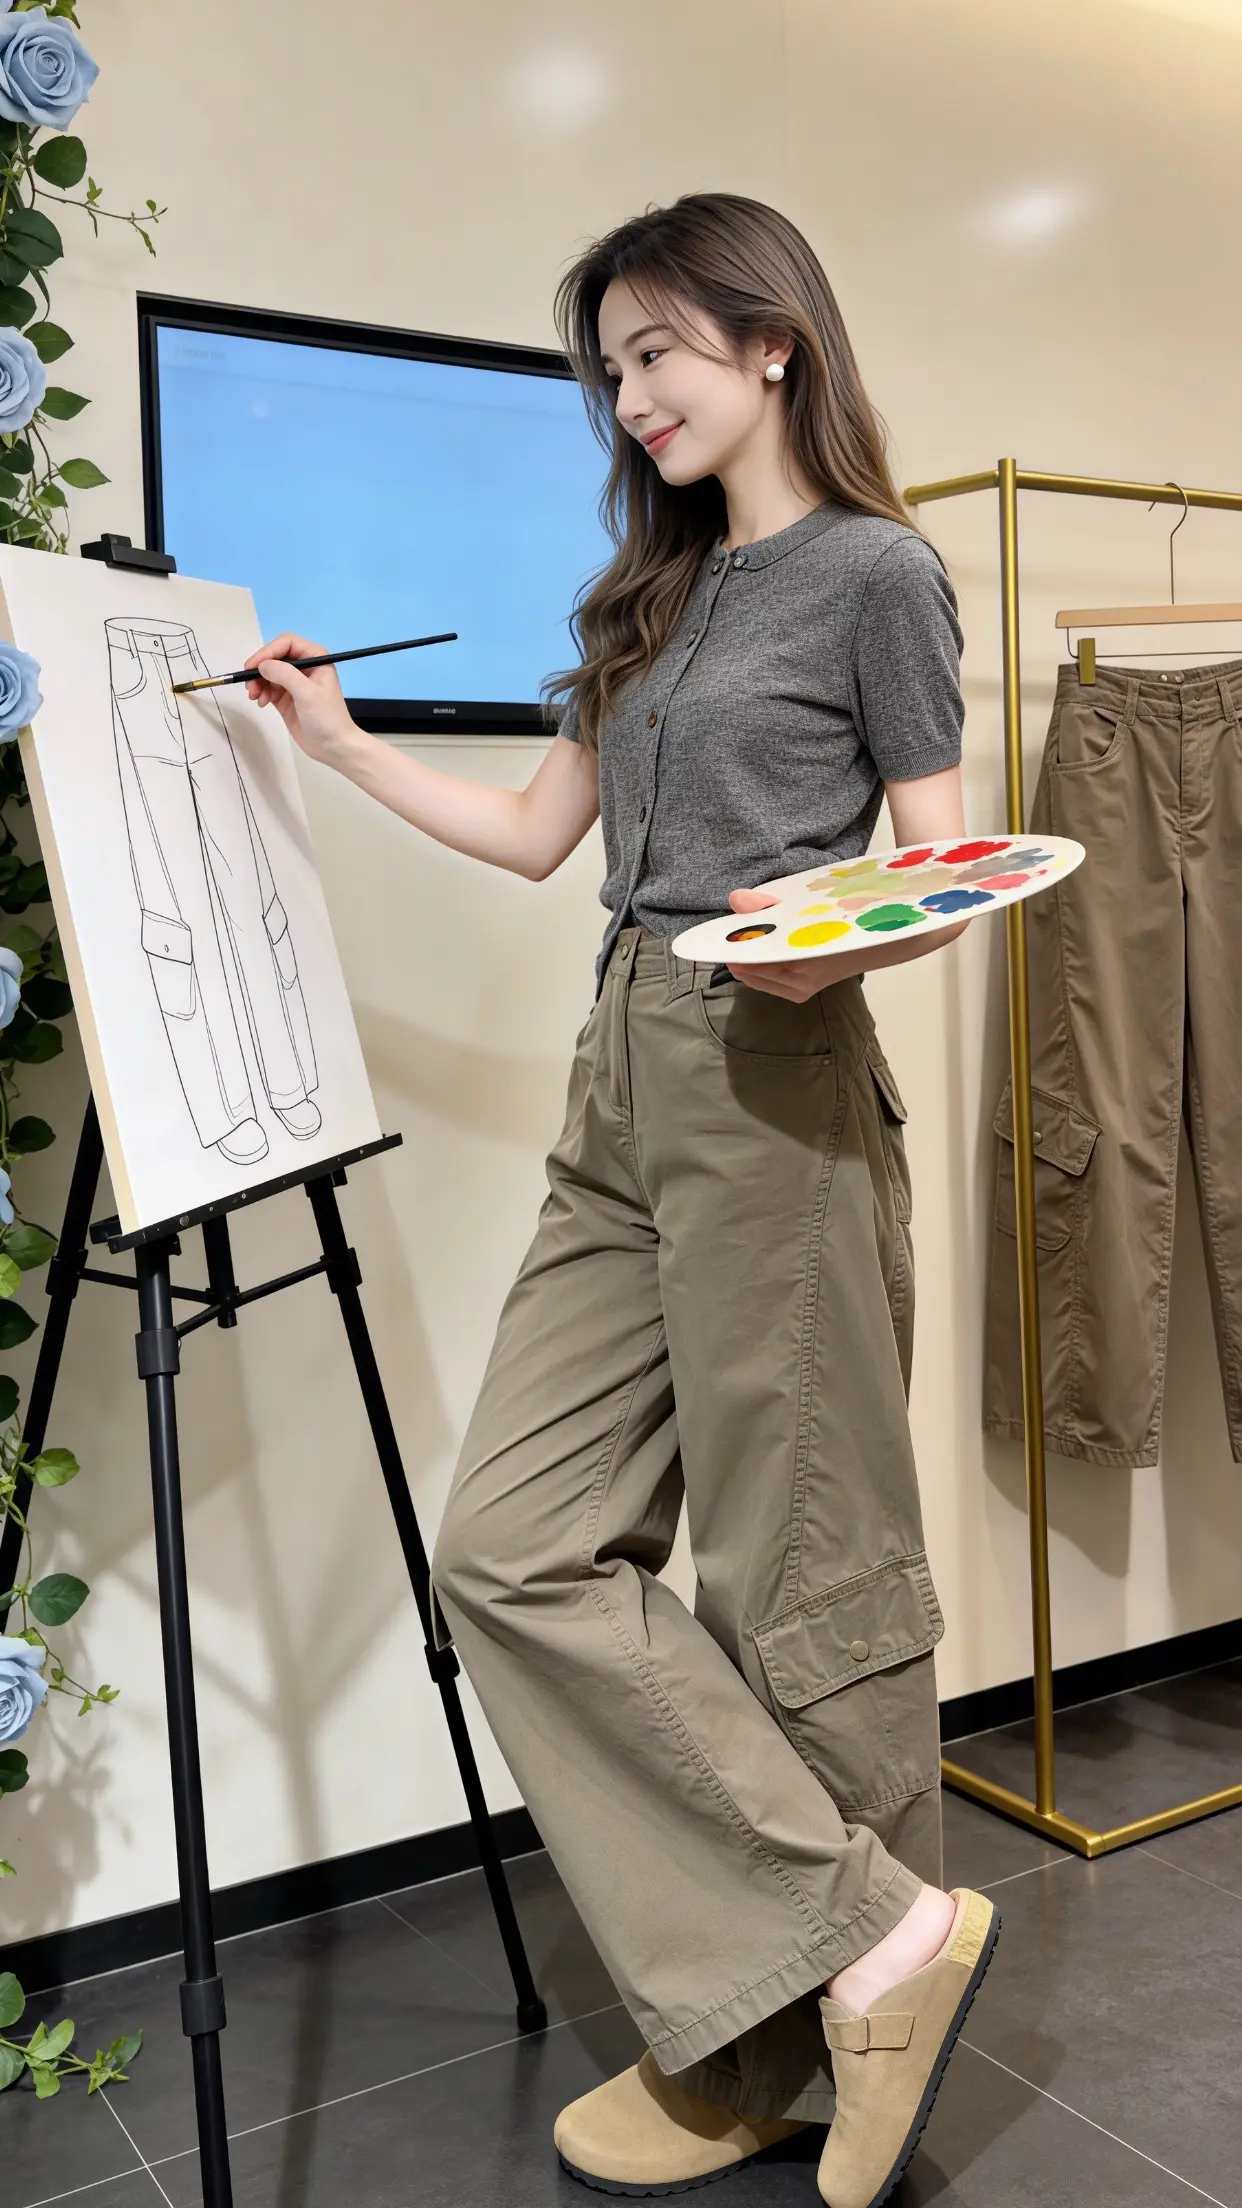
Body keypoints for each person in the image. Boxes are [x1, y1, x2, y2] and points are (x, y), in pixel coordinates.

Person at [245, 192, 1000, 2208]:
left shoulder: (876, 573)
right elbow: (530, 836)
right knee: (509, 1545)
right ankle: (865, 1944)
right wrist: (331, 744)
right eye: (612, 369)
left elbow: (942, 863)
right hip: (623, 1064)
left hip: (773, 1076)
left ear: (772, 340)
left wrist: (826, 948)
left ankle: (786, 2055)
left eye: (659, 350)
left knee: (800, 1569)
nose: (633, 395)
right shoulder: (643, 603)